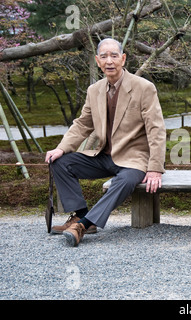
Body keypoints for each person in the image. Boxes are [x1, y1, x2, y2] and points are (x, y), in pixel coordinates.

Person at [45, 38, 166, 246]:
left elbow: (156, 129)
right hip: (103, 156)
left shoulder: (144, 87)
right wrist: (61, 148)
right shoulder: (95, 90)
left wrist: (155, 168)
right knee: (61, 162)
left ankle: (83, 225)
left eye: (114, 55)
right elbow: (82, 124)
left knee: (125, 181)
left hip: (134, 159)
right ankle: (82, 214)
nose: (109, 61)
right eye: (104, 56)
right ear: (98, 61)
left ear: (123, 58)